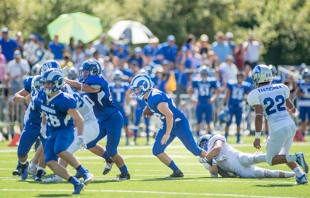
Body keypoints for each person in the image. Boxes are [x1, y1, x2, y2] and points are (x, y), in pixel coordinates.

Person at [130, 73, 210, 178]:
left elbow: (169, 114)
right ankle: (177, 171)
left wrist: (167, 133)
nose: (135, 91)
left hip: (178, 122)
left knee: (194, 150)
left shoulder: (155, 97)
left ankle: (215, 161)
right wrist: (151, 109)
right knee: (157, 150)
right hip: (168, 122)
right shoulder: (149, 96)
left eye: (137, 89)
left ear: (144, 87)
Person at [65, 59, 130, 180]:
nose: (84, 73)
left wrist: (66, 80)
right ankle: (108, 159)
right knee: (89, 144)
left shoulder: (98, 80)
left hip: (113, 118)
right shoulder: (85, 80)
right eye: (83, 71)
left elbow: (87, 89)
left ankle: (125, 173)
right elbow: (77, 89)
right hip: (100, 119)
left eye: (86, 71)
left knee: (111, 149)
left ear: (94, 71)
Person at [247, 64, 308, 184]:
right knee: (283, 155)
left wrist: (257, 137)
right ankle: (300, 176)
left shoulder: (255, 93)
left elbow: (259, 116)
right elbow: (292, 108)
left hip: (278, 127)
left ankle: (297, 157)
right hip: (290, 126)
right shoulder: (281, 87)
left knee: (270, 159)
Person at [35, 68, 93, 194]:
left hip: (64, 129)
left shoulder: (64, 99)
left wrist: (81, 136)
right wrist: (43, 125)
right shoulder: (43, 95)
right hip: (51, 130)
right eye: (44, 83)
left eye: (49, 83)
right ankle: (76, 183)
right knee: (49, 161)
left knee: (59, 150)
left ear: (57, 83)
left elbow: (79, 118)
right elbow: (45, 109)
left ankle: (84, 172)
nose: (45, 86)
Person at [197, 134, 296, 179]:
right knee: (265, 173)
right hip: (238, 171)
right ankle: (294, 174)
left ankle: (292, 158)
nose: (203, 148)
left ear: (206, 141)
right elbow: (213, 174)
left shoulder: (214, 139)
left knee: (258, 158)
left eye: (202, 145)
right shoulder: (205, 158)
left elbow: (218, 148)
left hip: (238, 157)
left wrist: (207, 158)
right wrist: (214, 161)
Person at [187, 66, 220, 137]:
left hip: (207, 102)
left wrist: (213, 99)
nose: (204, 75)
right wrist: (193, 99)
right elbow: (189, 90)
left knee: (208, 120)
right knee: (199, 120)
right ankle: (198, 135)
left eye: (205, 74)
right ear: (201, 74)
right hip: (200, 102)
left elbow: (218, 91)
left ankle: (210, 135)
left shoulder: (212, 81)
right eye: (203, 74)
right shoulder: (196, 81)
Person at [223, 72, 251, 143]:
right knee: (228, 122)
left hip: (239, 107)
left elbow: (248, 95)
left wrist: (246, 102)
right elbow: (228, 94)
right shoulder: (232, 84)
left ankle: (238, 138)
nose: (240, 78)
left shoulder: (246, 85)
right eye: (239, 77)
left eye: (241, 77)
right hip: (231, 106)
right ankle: (225, 137)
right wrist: (225, 104)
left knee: (238, 123)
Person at [109, 70, 131, 145]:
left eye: (119, 79)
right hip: (115, 107)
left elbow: (127, 96)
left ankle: (127, 139)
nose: (117, 80)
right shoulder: (111, 86)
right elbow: (110, 97)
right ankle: (114, 139)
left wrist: (127, 106)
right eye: (116, 79)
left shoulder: (125, 85)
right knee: (113, 124)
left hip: (122, 107)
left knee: (126, 124)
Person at [296, 68, 310, 139]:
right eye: (305, 76)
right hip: (302, 103)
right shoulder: (299, 83)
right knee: (303, 120)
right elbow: (297, 93)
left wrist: (305, 95)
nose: (306, 78)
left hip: (309, 103)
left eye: (307, 76)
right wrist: (301, 94)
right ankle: (303, 134)